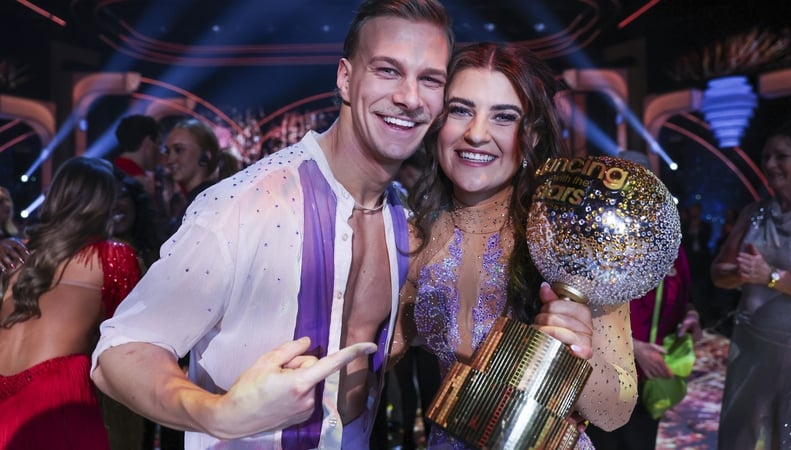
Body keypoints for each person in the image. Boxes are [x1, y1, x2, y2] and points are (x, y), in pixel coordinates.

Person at [90, 1, 453, 448]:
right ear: (345, 77)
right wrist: (218, 413)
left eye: (430, 79)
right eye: (388, 71)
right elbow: (121, 351)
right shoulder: (246, 204)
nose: (410, 98)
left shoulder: (406, 227)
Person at [390, 42, 637, 450]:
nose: (477, 133)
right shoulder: (412, 239)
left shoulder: (573, 240)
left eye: (504, 117)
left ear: (533, 135)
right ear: (438, 122)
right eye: (461, 110)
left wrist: (581, 351)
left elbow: (616, 411)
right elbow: (372, 359)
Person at [0, 157, 141, 449]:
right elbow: (129, 339)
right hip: (54, 401)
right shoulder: (114, 257)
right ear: (104, 203)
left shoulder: (19, 255)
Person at [711, 117, 791, 450]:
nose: (771, 165)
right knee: (743, 433)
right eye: (766, 157)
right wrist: (739, 275)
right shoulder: (754, 213)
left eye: (782, 156)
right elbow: (719, 271)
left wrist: (771, 277)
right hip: (751, 347)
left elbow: (768, 275)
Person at [586, 245, 702, 449]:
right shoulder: (614, 241)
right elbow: (587, 302)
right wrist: (634, 348)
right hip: (607, 375)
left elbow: (683, 293)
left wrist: (691, 314)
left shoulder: (673, 244)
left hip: (649, 380)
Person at [113, 114, 162, 197]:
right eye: (158, 144)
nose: (159, 152)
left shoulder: (109, 172)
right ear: (148, 142)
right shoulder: (139, 184)